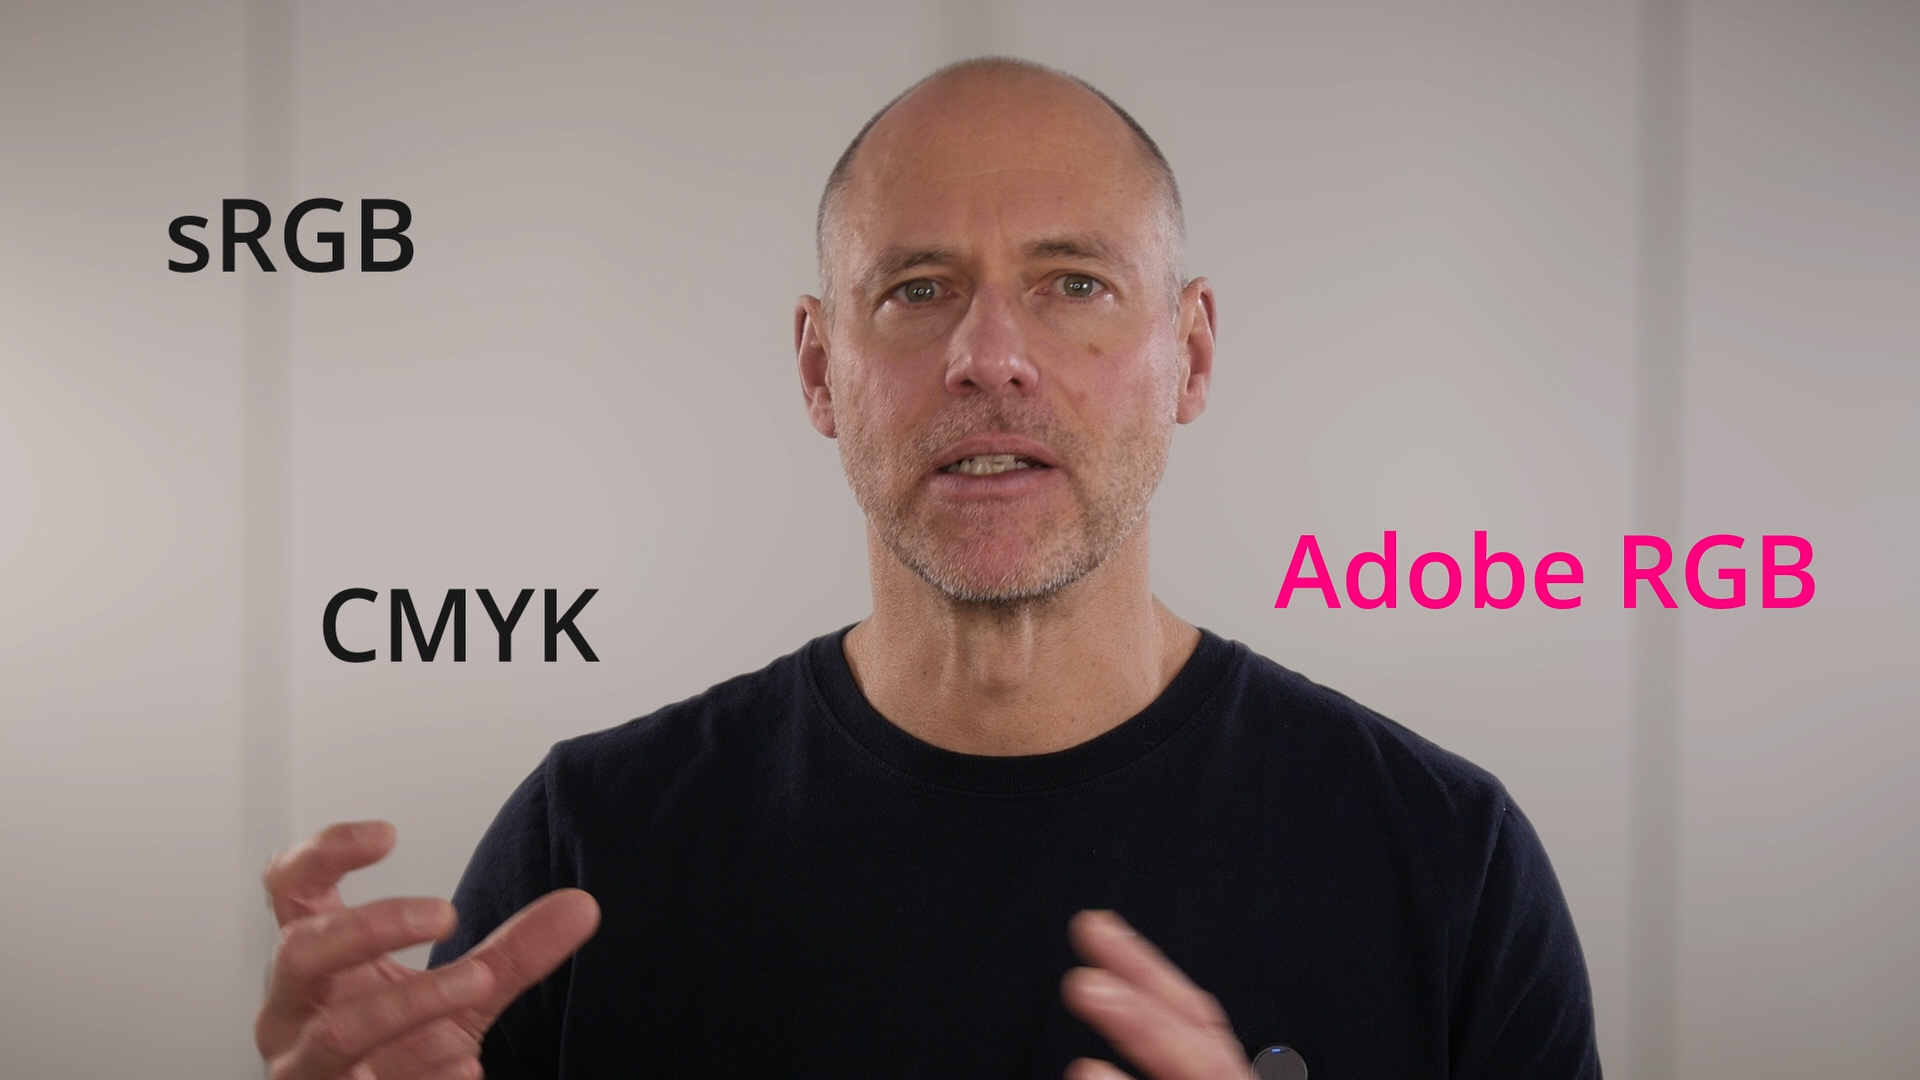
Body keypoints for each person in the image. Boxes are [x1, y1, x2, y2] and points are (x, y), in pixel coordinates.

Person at [254, 58, 1600, 1080]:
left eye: (1073, 283)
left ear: (1190, 354)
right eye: (916, 290)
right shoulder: (586, 846)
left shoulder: (1445, 859)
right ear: (817, 368)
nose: (989, 356)